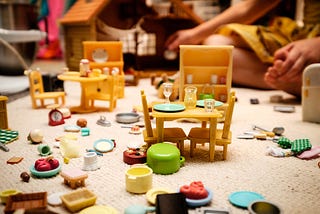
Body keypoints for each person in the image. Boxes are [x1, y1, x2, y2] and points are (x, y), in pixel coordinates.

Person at [165, 0, 320, 97]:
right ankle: (286, 78)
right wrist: (194, 34)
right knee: (217, 46)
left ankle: (298, 82)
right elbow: (250, 6)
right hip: (304, 35)